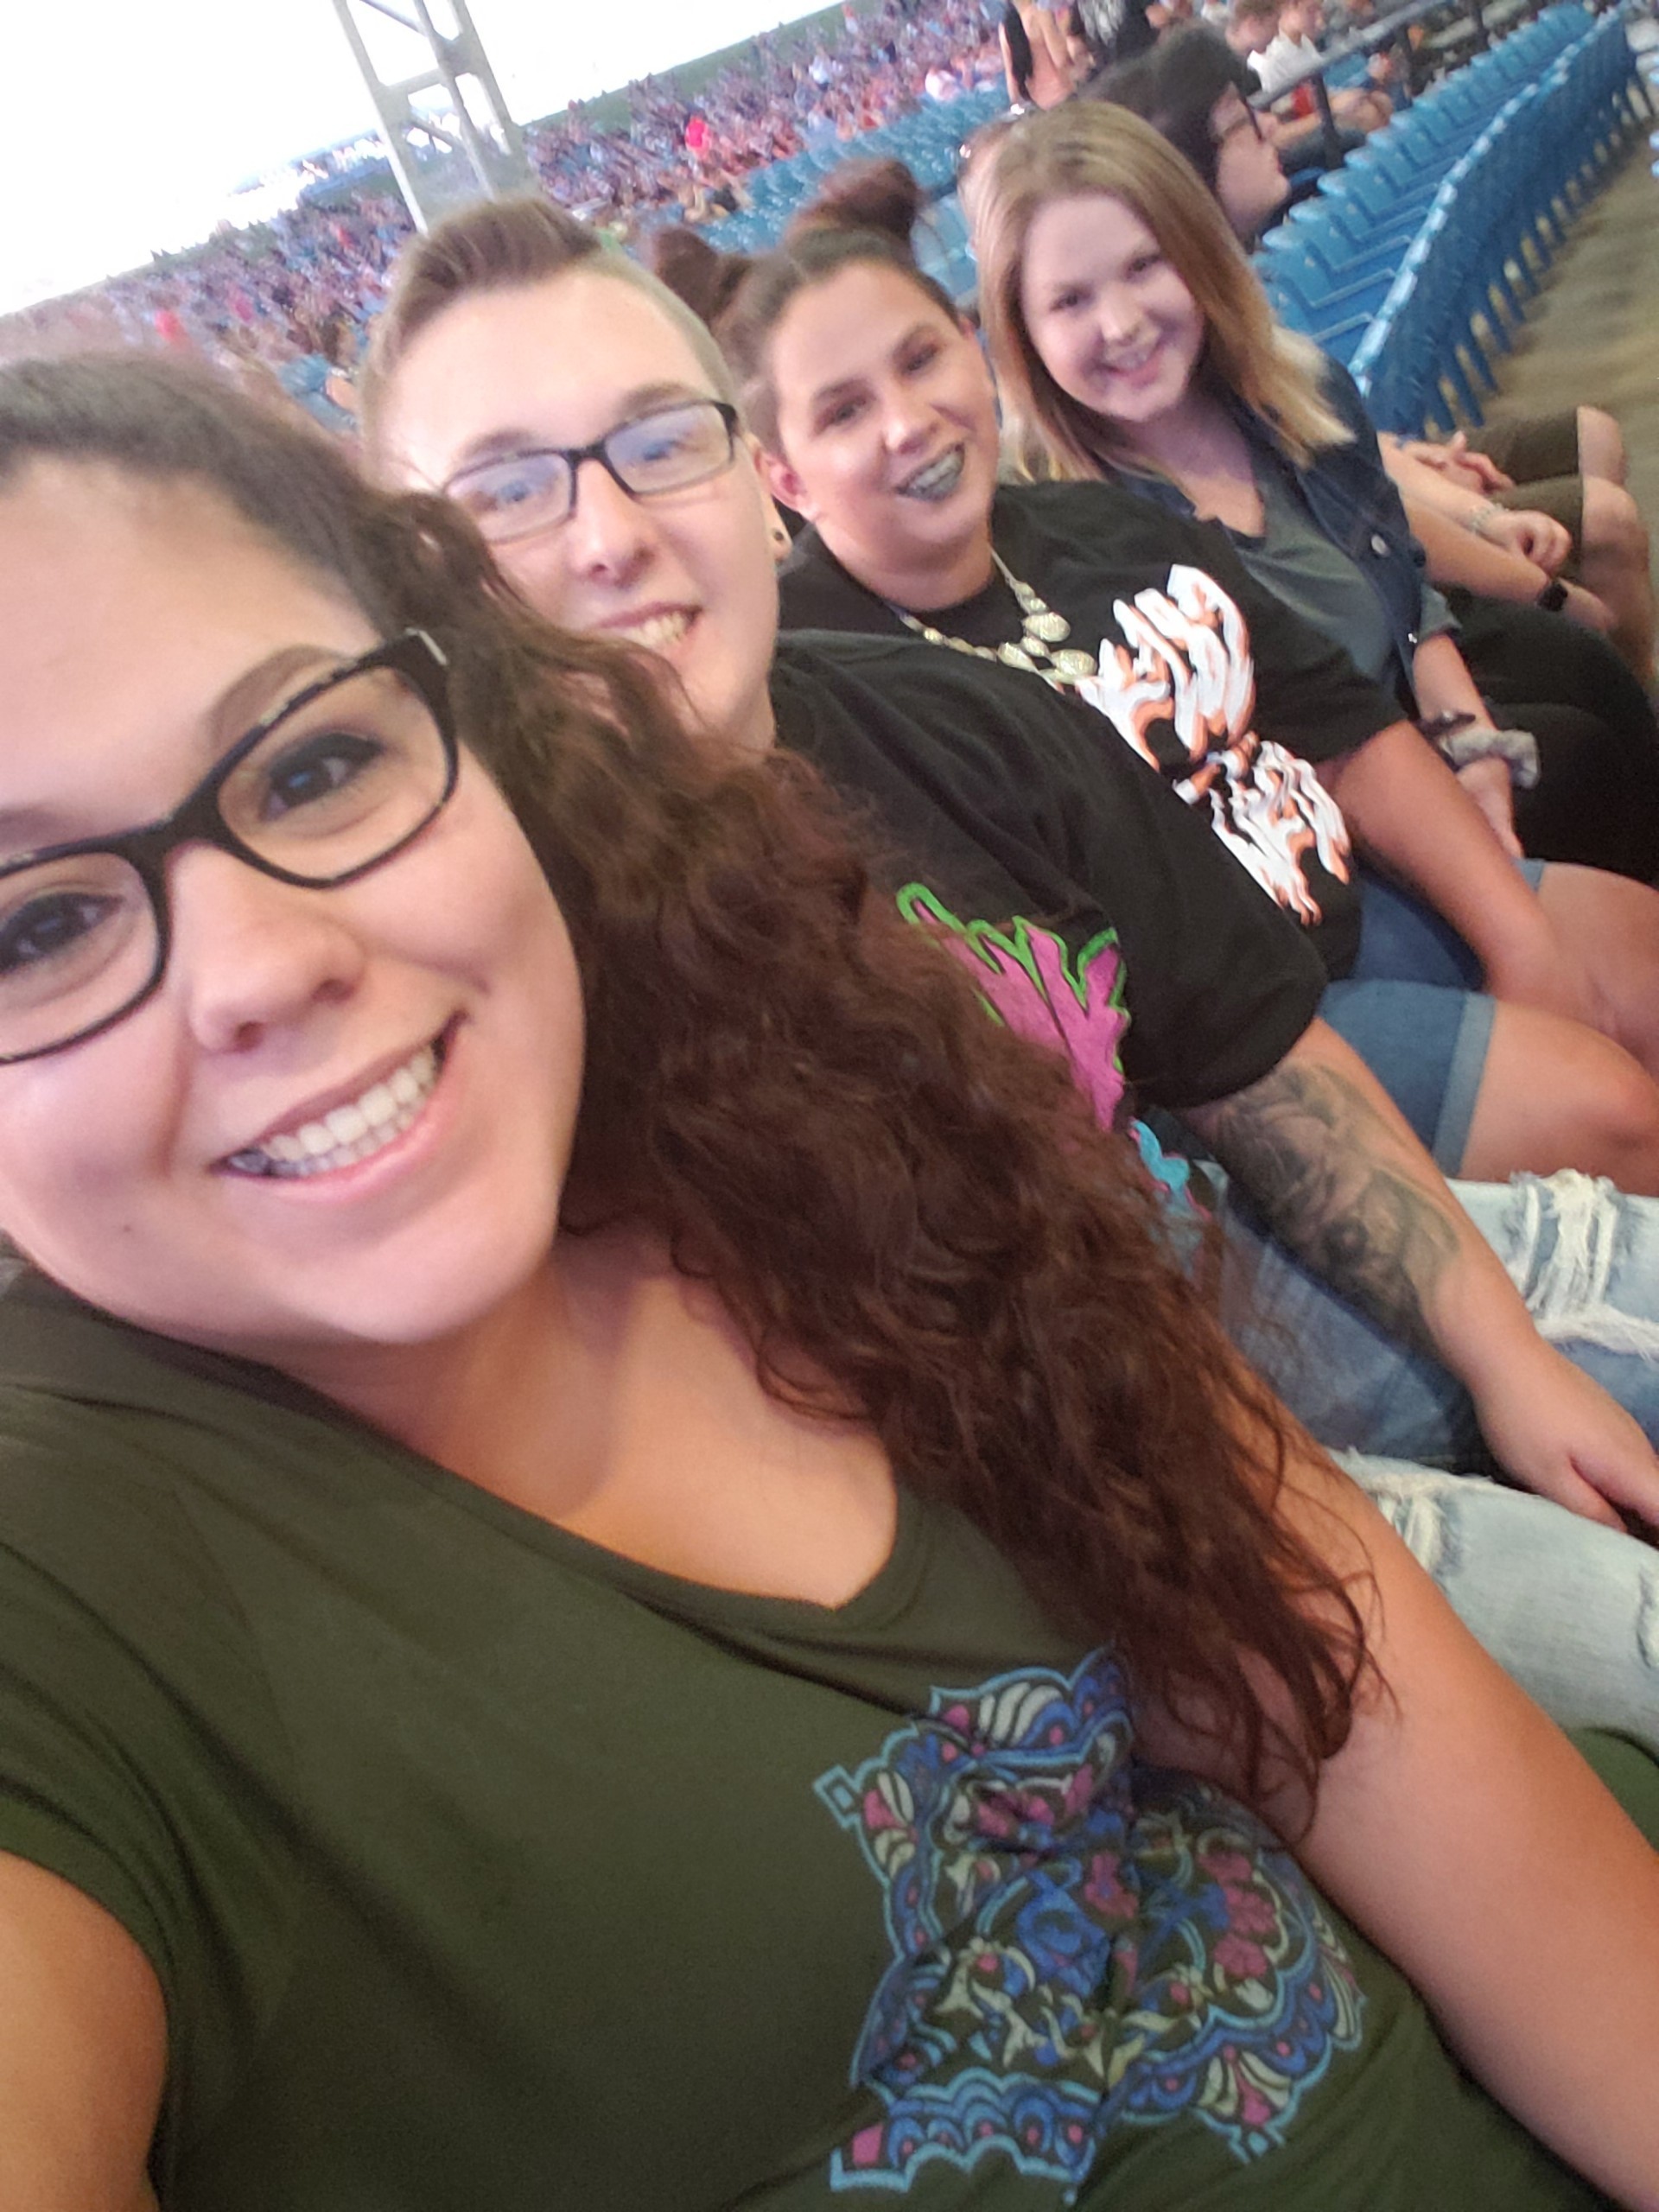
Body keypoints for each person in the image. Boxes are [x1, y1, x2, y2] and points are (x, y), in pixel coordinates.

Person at [3, 347, 1656, 2212]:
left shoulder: (804, 1087)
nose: (257, 968)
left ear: (474, 735)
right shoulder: (68, 1591)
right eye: (35, 927)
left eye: (314, 765)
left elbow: (1351, 1706)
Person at [351, 194, 1659, 1736]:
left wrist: (1507, 1361)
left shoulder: (958, 719)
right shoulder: (466, 1003)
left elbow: (1256, 1066)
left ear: (749, 478)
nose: (609, 535)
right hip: (1094, 1553)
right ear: (411, 577)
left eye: (658, 441)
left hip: (1246, 1280)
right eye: (505, 489)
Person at [643, 165, 1659, 1199]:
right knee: (1619, 1115)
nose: (907, 423)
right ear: (783, 475)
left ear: (970, 346)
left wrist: (1520, 941)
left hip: (1360, 891)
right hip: (1229, 1059)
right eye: (845, 412)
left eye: (920, 359)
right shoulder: (812, 685)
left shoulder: (1100, 523)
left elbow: (1342, 722)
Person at [965, 102, 1659, 1091]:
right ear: (1024, 335)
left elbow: (1404, 596)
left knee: (1585, 682)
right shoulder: (1067, 543)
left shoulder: (1300, 393)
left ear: (1197, 256)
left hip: (1407, 733)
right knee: (1581, 757)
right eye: (1069, 301)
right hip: (1316, 865)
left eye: (1143, 266)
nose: (1119, 323)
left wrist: (1474, 747)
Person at [1096, 24, 1659, 727]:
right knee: (1596, 569)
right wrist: (1497, 538)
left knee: (1594, 446)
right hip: (1386, 624)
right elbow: (1357, 508)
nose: (1269, 128)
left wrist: (1415, 457)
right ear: (1183, 173)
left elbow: (1340, 447)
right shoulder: (1187, 362)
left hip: (1394, 520)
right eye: (1241, 123)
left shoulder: (1241, 302)